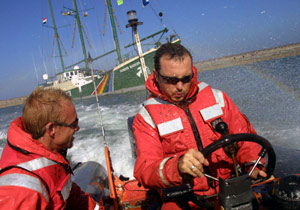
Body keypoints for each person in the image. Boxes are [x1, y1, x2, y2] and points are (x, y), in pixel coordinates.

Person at [133, 43, 268, 209]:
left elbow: (245, 137)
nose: (180, 87)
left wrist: (252, 164)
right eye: (171, 80)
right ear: (156, 76)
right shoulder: (146, 117)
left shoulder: (217, 98)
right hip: (181, 196)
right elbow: (146, 169)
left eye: (186, 78)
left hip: (231, 186)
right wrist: (177, 166)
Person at [0, 88, 101, 210]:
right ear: (51, 129)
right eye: (74, 124)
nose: (77, 128)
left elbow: (68, 192)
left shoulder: (51, 156)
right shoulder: (21, 192)